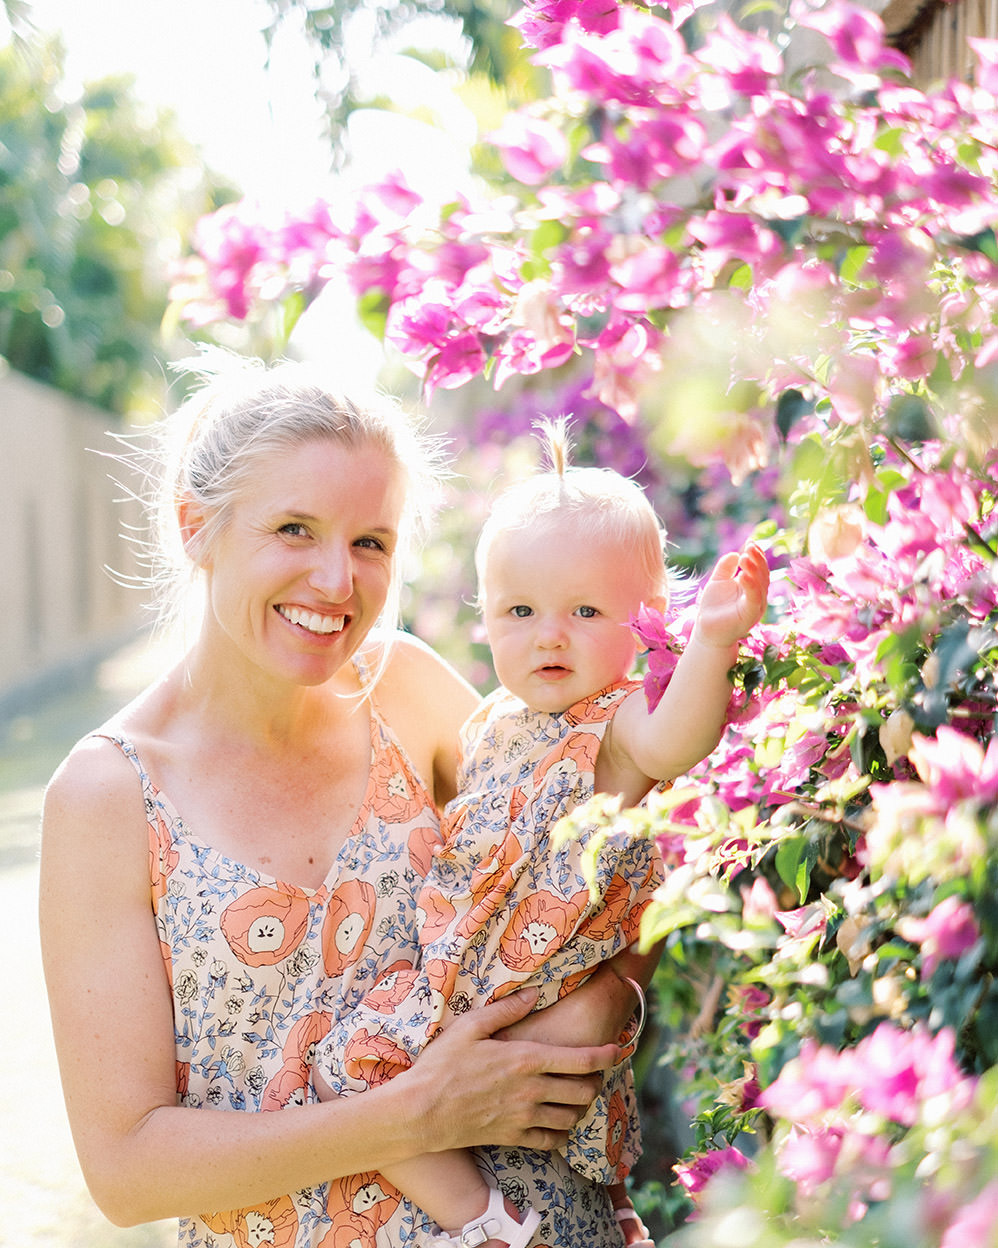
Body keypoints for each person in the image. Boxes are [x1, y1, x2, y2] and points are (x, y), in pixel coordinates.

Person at [38, 356, 659, 1248]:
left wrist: (614, 1000)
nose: (338, 581)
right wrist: (413, 1116)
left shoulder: (404, 692)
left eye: (370, 541)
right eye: (295, 529)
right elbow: (129, 1170)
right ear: (194, 528)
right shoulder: (111, 797)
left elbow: (605, 872)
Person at [312, 423, 771, 1248]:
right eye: (519, 611)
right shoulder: (495, 721)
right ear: (485, 617)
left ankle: (490, 1222)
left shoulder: (620, 721)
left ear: (647, 620)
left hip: (534, 989)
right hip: (462, 979)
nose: (548, 635)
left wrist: (712, 639)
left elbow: (680, 740)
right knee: (357, 1071)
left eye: (585, 611)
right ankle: (490, 1215)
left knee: (355, 1070)